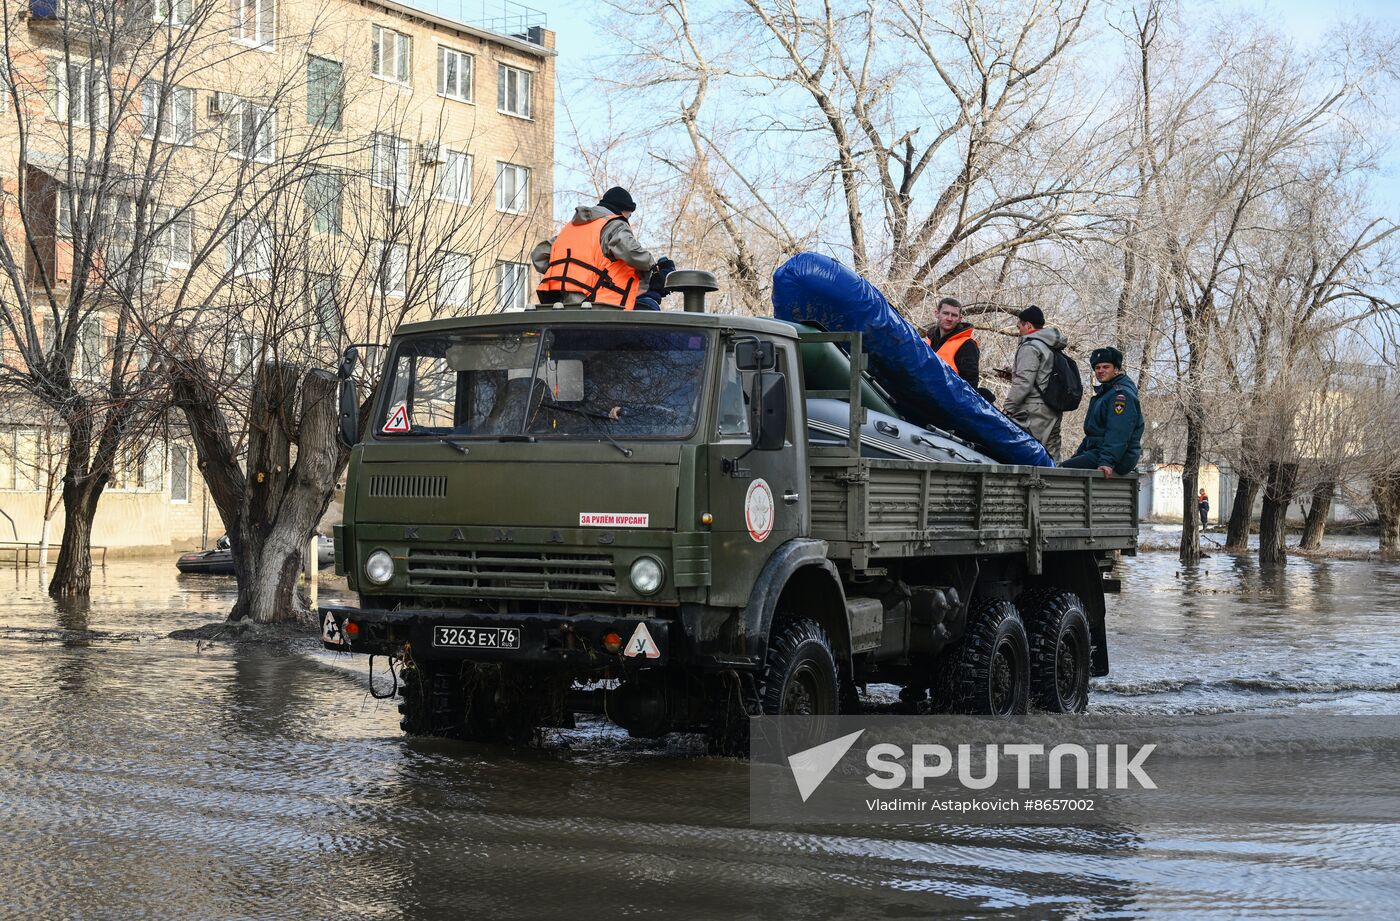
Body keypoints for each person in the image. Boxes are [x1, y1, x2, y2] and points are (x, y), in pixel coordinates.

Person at [531, 186, 660, 309]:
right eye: (629, 215)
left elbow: (539, 256)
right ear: (624, 210)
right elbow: (632, 252)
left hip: (560, 303)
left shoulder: (570, 229)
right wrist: (654, 266)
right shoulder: (615, 224)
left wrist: (568, 273)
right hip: (594, 303)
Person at [1061, 347, 1144, 476]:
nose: (1100, 371)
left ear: (1116, 369)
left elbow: (1118, 432)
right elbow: (1093, 433)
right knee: (1063, 465)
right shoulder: (1105, 394)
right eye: (1097, 367)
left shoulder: (1120, 396)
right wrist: (1079, 452)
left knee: (1062, 471)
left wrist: (1107, 462)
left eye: (1106, 367)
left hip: (1119, 457)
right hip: (1100, 452)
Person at [1002, 305, 1070, 459]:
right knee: (1052, 457)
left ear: (1028, 325)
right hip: (1052, 409)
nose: (1019, 330)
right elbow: (1041, 376)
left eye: (1020, 326)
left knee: (1029, 456)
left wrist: (1008, 408)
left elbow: (1024, 382)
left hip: (1034, 412)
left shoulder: (1031, 346)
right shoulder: (1050, 345)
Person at [922, 296, 980, 389]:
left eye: (954, 315)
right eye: (945, 313)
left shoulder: (967, 345)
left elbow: (970, 385)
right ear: (937, 313)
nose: (949, 318)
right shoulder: (929, 338)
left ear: (960, 318)